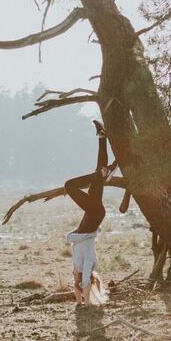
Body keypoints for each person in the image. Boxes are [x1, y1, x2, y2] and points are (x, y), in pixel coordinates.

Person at [64, 120, 117, 306]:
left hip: (93, 212)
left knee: (96, 175)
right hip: (94, 213)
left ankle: (102, 138)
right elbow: (84, 281)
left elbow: (76, 285)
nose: (76, 281)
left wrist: (79, 300)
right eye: (79, 283)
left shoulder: (75, 267)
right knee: (69, 185)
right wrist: (86, 297)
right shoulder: (89, 264)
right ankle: (103, 174)